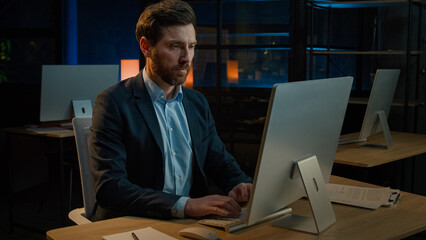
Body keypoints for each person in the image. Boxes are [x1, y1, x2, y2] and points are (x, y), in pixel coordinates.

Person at [89, 0, 252, 221]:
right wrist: (186, 205)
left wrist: (240, 183)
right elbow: (111, 188)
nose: (187, 58)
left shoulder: (197, 103)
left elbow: (220, 160)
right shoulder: (112, 103)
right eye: (175, 46)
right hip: (133, 223)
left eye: (192, 46)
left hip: (188, 224)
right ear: (146, 47)